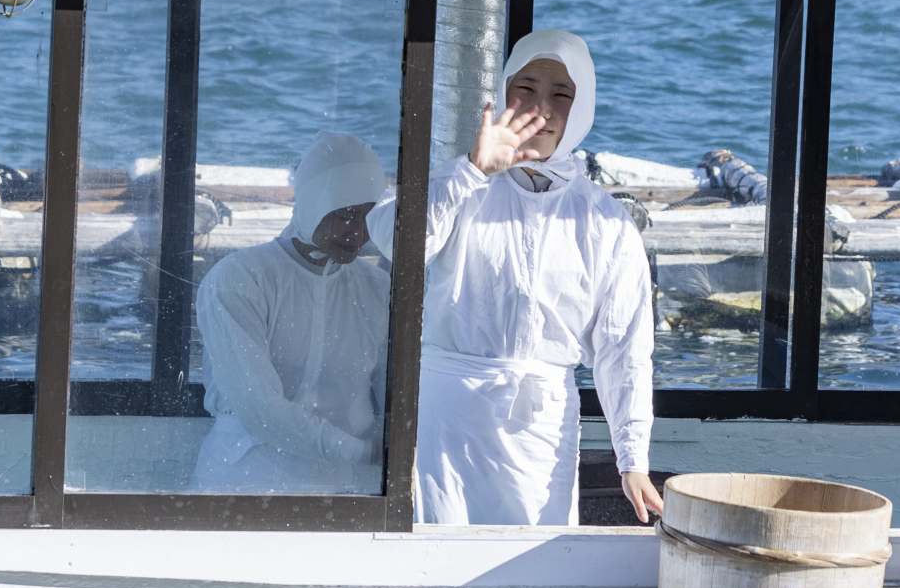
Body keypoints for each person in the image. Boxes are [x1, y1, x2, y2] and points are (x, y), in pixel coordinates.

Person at [371, 29, 660, 526]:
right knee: (433, 556)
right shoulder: (459, 184)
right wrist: (472, 170)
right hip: (445, 417)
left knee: (529, 561)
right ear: (502, 92)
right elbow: (395, 243)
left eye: (561, 95)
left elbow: (624, 349)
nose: (539, 110)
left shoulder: (604, 220)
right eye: (524, 89)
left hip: (539, 425)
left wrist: (632, 458)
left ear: (583, 107)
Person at [193, 133, 390, 495]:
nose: (359, 232)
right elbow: (261, 409)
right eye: (346, 215)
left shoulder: (377, 289)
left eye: (369, 216)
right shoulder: (239, 279)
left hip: (344, 489)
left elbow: (396, 394)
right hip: (244, 482)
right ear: (313, 203)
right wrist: (364, 453)